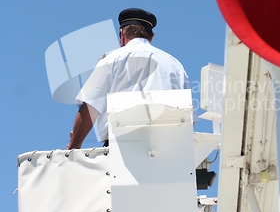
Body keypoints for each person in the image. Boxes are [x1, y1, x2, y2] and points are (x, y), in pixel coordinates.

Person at [67, 8, 190, 149]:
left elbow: (91, 106)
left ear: (122, 34)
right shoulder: (175, 65)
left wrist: (73, 147)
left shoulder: (112, 59)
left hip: (121, 149)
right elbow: (187, 118)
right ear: (151, 37)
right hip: (169, 151)